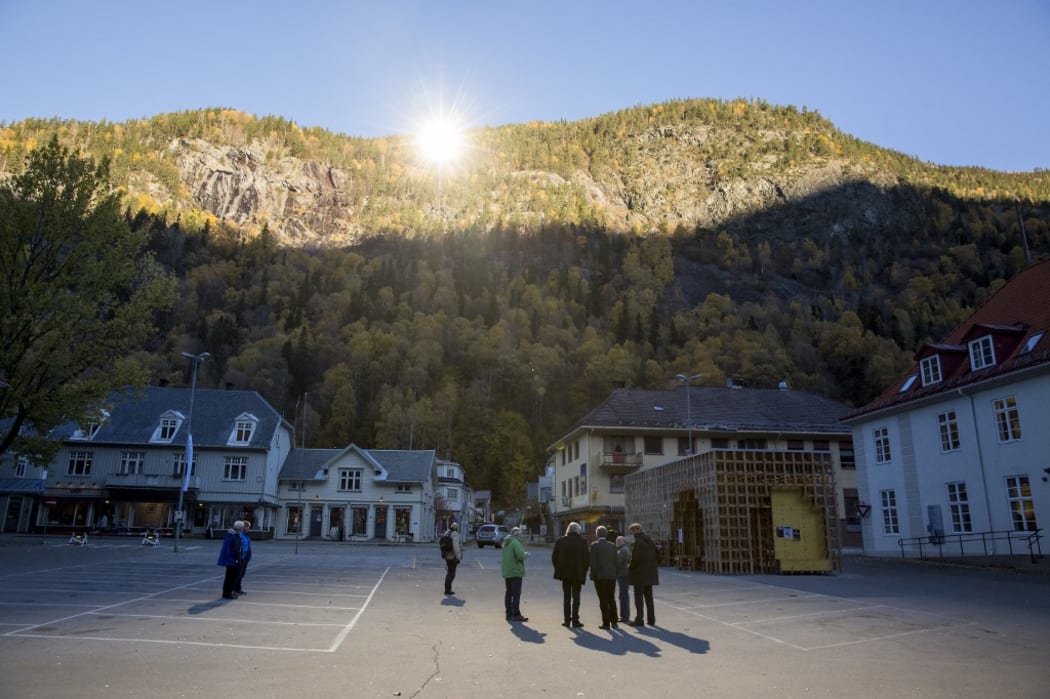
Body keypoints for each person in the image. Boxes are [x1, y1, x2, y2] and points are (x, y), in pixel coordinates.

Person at [551, 521, 589, 628]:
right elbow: (586, 559)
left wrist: (559, 568)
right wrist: (584, 570)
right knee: (576, 597)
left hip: (565, 573)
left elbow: (554, 557)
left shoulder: (561, 541)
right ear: (578, 530)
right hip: (578, 573)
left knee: (566, 596)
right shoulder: (582, 541)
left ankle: (567, 620)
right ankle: (575, 620)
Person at [628, 522, 659, 626]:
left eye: (632, 531)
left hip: (639, 574)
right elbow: (657, 555)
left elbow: (635, 559)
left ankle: (639, 620)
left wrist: (629, 567)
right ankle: (651, 620)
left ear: (636, 530)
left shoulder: (638, 541)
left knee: (639, 599)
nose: (632, 533)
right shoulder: (650, 541)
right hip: (649, 574)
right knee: (649, 598)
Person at [589, 525, 619, 629]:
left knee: (603, 600)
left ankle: (606, 622)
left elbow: (593, 563)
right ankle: (614, 621)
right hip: (611, 575)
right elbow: (616, 561)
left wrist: (592, 576)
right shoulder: (613, 545)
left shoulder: (594, 546)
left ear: (597, 534)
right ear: (606, 534)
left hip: (600, 576)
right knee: (612, 599)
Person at [501, 526, 530, 622]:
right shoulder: (516, 542)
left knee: (508, 593)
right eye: (520, 533)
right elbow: (520, 555)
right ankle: (516, 614)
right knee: (516, 594)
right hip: (515, 571)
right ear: (518, 534)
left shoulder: (506, 543)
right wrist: (527, 554)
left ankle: (508, 613)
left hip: (507, 571)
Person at [217, 521, 244, 599]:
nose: (242, 529)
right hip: (233, 560)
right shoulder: (235, 536)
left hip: (229, 559)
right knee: (232, 578)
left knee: (228, 577)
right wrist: (238, 560)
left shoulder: (229, 534)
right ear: (239, 528)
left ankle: (226, 592)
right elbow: (237, 550)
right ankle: (228, 593)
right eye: (242, 528)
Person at [615, 535, 632, 623]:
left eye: (620, 540)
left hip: (622, 574)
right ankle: (625, 615)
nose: (617, 541)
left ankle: (625, 616)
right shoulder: (625, 549)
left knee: (623, 595)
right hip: (625, 574)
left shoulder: (622, 550)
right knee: (624, 594)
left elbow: (617, 563)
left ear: (624, 541)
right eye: (617, 540)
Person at [443, 522, 463, 595]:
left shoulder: (447, 532)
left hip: (447, 555)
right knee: (451, 574)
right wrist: (458, 556)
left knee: (449, 573)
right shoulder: (454, 534)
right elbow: (456, 547)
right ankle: (448, 590)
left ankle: (447, 589)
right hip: (452, 556)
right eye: (457, 527)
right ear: (456, 528)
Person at [235, 520, 252, 594]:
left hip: (245, 557)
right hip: (240, 558)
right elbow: (239, 547)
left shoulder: (246, 535)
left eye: (248, 527)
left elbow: (248, 546)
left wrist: (248, 556)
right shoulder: (240, 535)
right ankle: (235, 589)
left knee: (241, 574)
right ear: (243, 527)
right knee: (238, 574)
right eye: (247, 527)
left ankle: (238, 588)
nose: (248, 528)